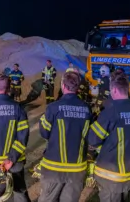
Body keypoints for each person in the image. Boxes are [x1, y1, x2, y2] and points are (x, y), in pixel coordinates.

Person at [38, 72, 92, 202]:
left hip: (53, 167)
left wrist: (42, 120)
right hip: (77, 168)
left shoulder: (53, 108)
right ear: (77, 87)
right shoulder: (86, 109)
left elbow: (44, 133)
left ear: (63, 85)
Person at [88, 73, 130, 202]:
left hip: (111, 172)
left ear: (114, 90)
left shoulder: (111, 111)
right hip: (128, 171)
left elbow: (93, 139)